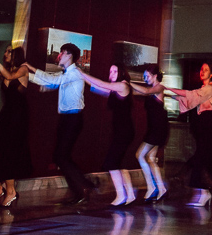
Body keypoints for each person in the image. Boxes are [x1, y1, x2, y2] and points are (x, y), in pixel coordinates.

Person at [26, 43, 88, 205]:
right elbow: (50, 83)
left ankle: (83, 186)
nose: (59, 56)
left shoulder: (75, 73)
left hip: (73, 119)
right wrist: (26, 75)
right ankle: (82, 188)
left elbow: (54, 80)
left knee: (61, 156)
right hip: (66, 119)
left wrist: (31, 69)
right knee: (61, 157)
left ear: (69, 55)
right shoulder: (66, 73)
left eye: (62, 53)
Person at [165, 62, 212, 207]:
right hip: (205, 124)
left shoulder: (211, 87)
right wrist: (168, 94)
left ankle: (203, 192)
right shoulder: (202, 89)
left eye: (206, 69)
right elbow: (189, 98)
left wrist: (168, 88)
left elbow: (191, 95)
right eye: (201, 69)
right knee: (205, 160)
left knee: (199, 159)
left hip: (211, 124)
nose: (202, 71)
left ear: (211, 74)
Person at [0, 46, 32, 208]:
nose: (5, 53)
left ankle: (11, 191)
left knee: (9, 152)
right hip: (6, 115)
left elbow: (10, 76)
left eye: (9, 51)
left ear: (16, 54)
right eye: (5, 51)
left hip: (18, 116)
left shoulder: (23, 69)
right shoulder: (4, 71)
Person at [79, 64, 136, 205]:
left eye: (115, 71)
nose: (112, 74)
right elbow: (96, 86)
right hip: (121, 130)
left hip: (124, 131)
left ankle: (121, 196)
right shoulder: (115, 89)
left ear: (122, 72)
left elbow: (101, 83)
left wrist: (81, 72)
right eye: (110, 71)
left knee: (111, 163)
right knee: (119, 163)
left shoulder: (123, 85)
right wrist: (82, 77)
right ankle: (129, 195)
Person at [128, 64, 169, 201]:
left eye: (147, 76)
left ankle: (151, 187)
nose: (145, 79)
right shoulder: (151, 90)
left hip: (158, 128)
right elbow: (137, 92)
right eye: (144, 77)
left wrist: (128, 82)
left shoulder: (159, 88)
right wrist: (120, 87)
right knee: (150, 159)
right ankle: (161, 189)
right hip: (155, 128)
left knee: (139, 155)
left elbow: (145, 91)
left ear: (155, 76)